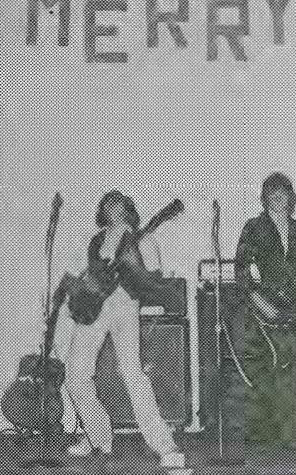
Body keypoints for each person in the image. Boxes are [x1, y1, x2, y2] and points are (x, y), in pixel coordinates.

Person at [65, 190, 184, 468]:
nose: (113, 207)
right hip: (95, 309)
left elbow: (155, 281)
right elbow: (89, 275)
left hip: (124, 307)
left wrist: (133, 271)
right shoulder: (96, 240)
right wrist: (85, 288)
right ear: (102, 209)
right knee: (75, 374)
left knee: (133, 374)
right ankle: (97, 436)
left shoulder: (142, 239)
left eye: (119, 203)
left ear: (128, 208)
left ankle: (165, 447)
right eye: (108, 203)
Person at [230, 172, 296, 449]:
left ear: (291, 197)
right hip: (266, 306)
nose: (278, 198)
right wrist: (255, 299)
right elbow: (241, 268)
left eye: (283, 192)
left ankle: (293, 434)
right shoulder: (253, 226)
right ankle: (264, 434)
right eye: (271, 193)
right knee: (267, 366)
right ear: (264, 199)